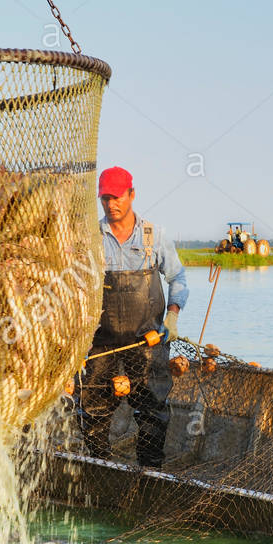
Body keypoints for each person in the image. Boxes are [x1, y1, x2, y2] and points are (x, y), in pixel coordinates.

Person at [78, 166, 188, 469]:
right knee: (93, 408)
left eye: (116, 197)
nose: (110, 204)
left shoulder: (154, 235)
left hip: (147, 339)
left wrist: (172, 317)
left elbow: (177, 278)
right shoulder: (90, 238)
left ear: (131, 195)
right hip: (102, 341)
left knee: (152, 408)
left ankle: (151, 470)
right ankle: (99, 468)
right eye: (104, 199)